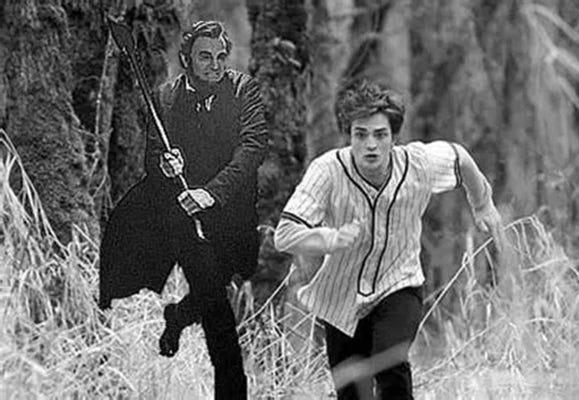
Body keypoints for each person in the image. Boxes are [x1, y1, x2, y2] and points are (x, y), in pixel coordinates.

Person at [273, 80, 502, 399]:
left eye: (380, 135)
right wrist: (328, 239)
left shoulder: (418, 164)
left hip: (399, 283)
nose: (371, 145)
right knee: (352, 390)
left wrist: (482, 203)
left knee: (389, 362)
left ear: (394, 138)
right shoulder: (327, 171)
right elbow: (284, 235)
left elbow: (459, 157)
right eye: (360, 134)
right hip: (341, 295)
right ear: (349, 136)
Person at [99, 21, 267, 400]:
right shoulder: (166, 98)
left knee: (236, 267)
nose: (215, 65)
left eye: (221, 57)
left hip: (230, 209)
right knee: (218, 311)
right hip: (185, 216)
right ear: (187, 59)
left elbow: (253, 147)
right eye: (205, 57)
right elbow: (152, 158)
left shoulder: (244, 90)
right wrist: (166, 165)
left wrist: (211, 193)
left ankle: (177, 316)